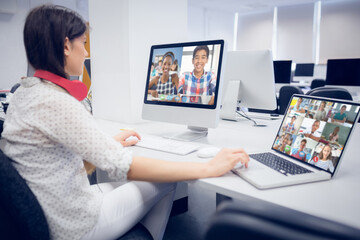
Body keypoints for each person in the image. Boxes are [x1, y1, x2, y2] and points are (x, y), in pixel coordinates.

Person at [0, 5, 249, 240]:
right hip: (74, 224)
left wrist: (105, 143)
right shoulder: (55, 100)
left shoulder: (26, 92)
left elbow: (57, 150)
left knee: (141, 181)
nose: (86, 52)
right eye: (83, 44)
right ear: (66, 46)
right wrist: (209, 168)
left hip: (57, 207)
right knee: (166, 179)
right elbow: (124, 166)